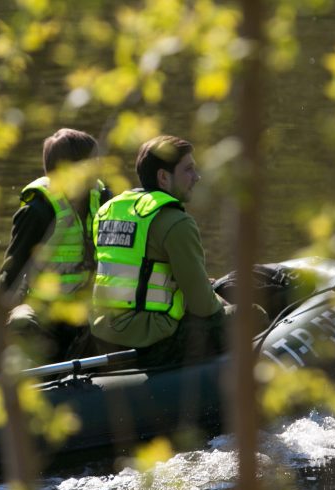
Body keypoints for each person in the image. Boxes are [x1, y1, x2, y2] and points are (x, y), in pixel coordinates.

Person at [89, 135, 250, 367]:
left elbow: (139, 271)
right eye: (188, 170)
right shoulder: (176, 221)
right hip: (152, 338)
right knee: (251, 315)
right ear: (164, 177)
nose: (197, 177)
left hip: (103, 333)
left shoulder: (108, 211)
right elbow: (203, 307)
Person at [0, 128, 111, 362]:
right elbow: (12, 270)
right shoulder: (38, 210)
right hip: (47, 315)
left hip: (89, 311)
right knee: (21, 322)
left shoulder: (104, 199)